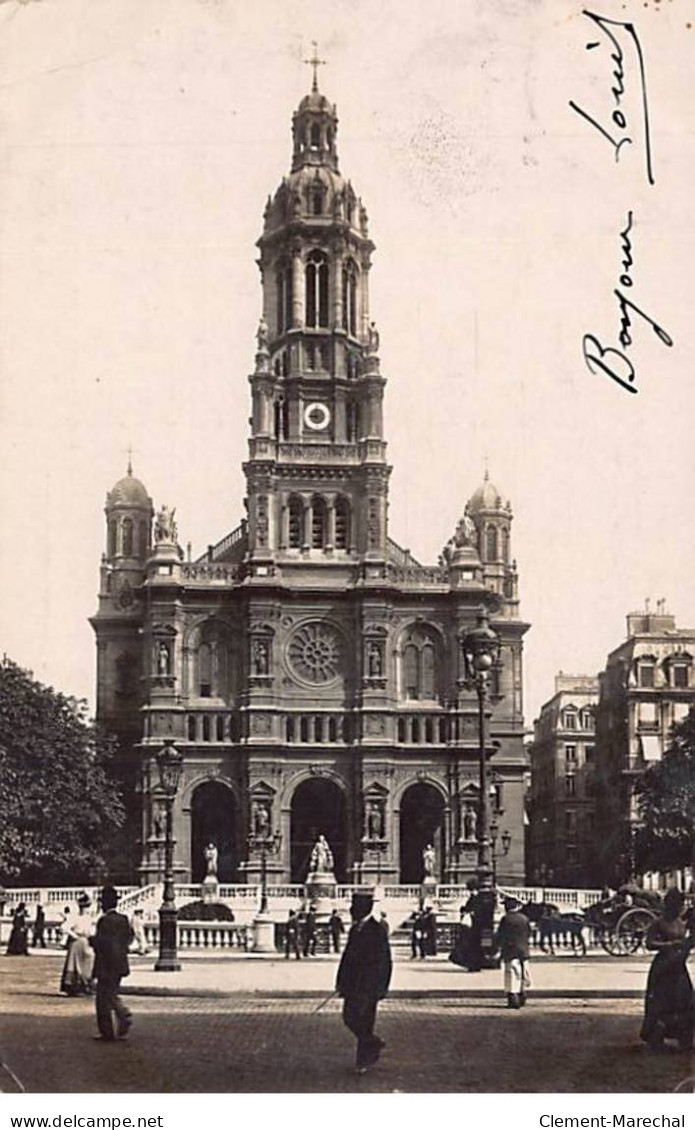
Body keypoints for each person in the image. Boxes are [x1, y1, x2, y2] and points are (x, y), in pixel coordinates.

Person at [336, 892, 392, 1074]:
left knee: (365, 1022)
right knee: (349, 1017)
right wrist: (341, 982)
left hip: (369, 986)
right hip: (352, 985)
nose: (351, 911)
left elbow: (385, 961)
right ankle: (373, 1043)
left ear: (363, 909)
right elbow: (346, 958)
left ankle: (362, 1062)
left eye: (354, 907)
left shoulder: (377, 930)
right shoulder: (355, 929)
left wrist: (382, 987)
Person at [640, 887, 694, 1052]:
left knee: (684, 1001)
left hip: (678, 966)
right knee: (662, 1002)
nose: (680, 908)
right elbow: (649, 944)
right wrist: (669, 945)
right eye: (678, 904)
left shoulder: (681, 922)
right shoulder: (659, 923)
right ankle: (656, 1037)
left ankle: (684, 1036)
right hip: (663, 967)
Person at [90, 886, 133, 1041]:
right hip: (120, 963)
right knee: (112, 993)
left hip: (106, 964)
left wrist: (91, 940)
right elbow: (129, 938)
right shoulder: (123, 919)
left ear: (104, 904)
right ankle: (122, 1017)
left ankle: (111, 1026)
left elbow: (101, 943)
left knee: (102, 998)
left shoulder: (104, 921)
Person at [494, 896, 531, 1009]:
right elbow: (529, 933)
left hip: (510, 950)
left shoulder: (506, 919)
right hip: (523, 950)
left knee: (511, 974)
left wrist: (496, 947)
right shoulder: (524, 918)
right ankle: (522, 994)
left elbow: (501, 935)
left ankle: (513, 997)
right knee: (523, 973)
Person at [60, 894, 95, 996]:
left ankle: (86, 986)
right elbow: (64, 927)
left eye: (86, 907)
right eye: (83, 907)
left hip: (86, 941)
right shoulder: (74, 917)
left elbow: (90, 929)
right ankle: (74, 987)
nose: (85, 909)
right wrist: (74, 935)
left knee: (88, 962)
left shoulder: (88, 917)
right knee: (75, 965)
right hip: (77, 943)